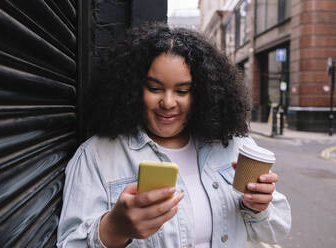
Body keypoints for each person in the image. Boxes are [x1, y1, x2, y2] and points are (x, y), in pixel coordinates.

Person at [57, 23, 291, 248]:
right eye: (155, 88)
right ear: (133, 88)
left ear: (202, 94)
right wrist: (114, 228)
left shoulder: (233, 146)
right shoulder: (96, 156)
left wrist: (259, 207)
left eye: (182, 91)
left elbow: (276, 231)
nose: (168, 103)